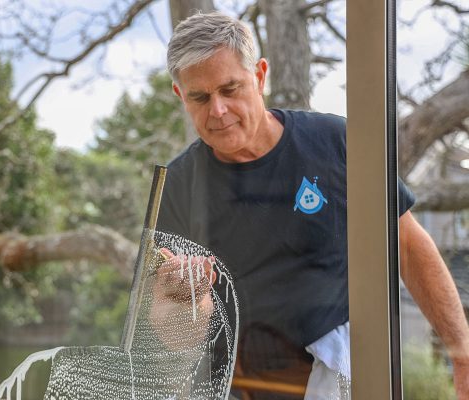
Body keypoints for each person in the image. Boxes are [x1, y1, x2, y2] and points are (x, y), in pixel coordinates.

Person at [153, 11, 469, 400]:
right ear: (180, 95)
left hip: (345, 378)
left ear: (260, 76)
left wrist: (463, 355)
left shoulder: (334, 142)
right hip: (240, 387)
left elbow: (407, 246)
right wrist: (186, 299)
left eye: (230, 89)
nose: (217, 110)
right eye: (200, 97)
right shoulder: (179, 185)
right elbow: (174, 335)